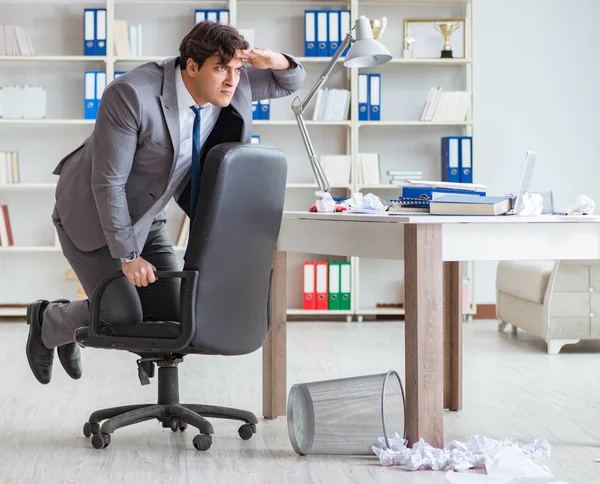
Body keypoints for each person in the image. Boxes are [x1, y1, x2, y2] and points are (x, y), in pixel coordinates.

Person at [25, 21, 306, 385]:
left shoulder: (231, 86)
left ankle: (72, 326)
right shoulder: (131, 95)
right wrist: (128, 255)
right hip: (91, 214)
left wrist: (275, 59)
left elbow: (291, 82)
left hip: (148, 217)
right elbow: (107, 183)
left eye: (237, 69)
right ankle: (47, 321)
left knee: (178, 316)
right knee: (120, 315)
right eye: (221, 67)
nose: (232, 80)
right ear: (192, 66)